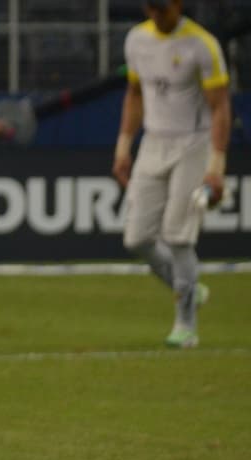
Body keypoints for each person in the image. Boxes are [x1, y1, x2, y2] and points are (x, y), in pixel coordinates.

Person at [113, 0, 230, 349]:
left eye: (162, 8)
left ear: (178, 4)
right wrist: (123, 147)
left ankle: (186, 326)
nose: (156, 14)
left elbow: (220, 106)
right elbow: (134, 94)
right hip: (153, 143)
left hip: (193, 144)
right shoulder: (136, 40)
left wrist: (216, 166)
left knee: (178, 237)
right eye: (150, 8)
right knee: (137, 238)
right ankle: (191, 288)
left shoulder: (202, 44)